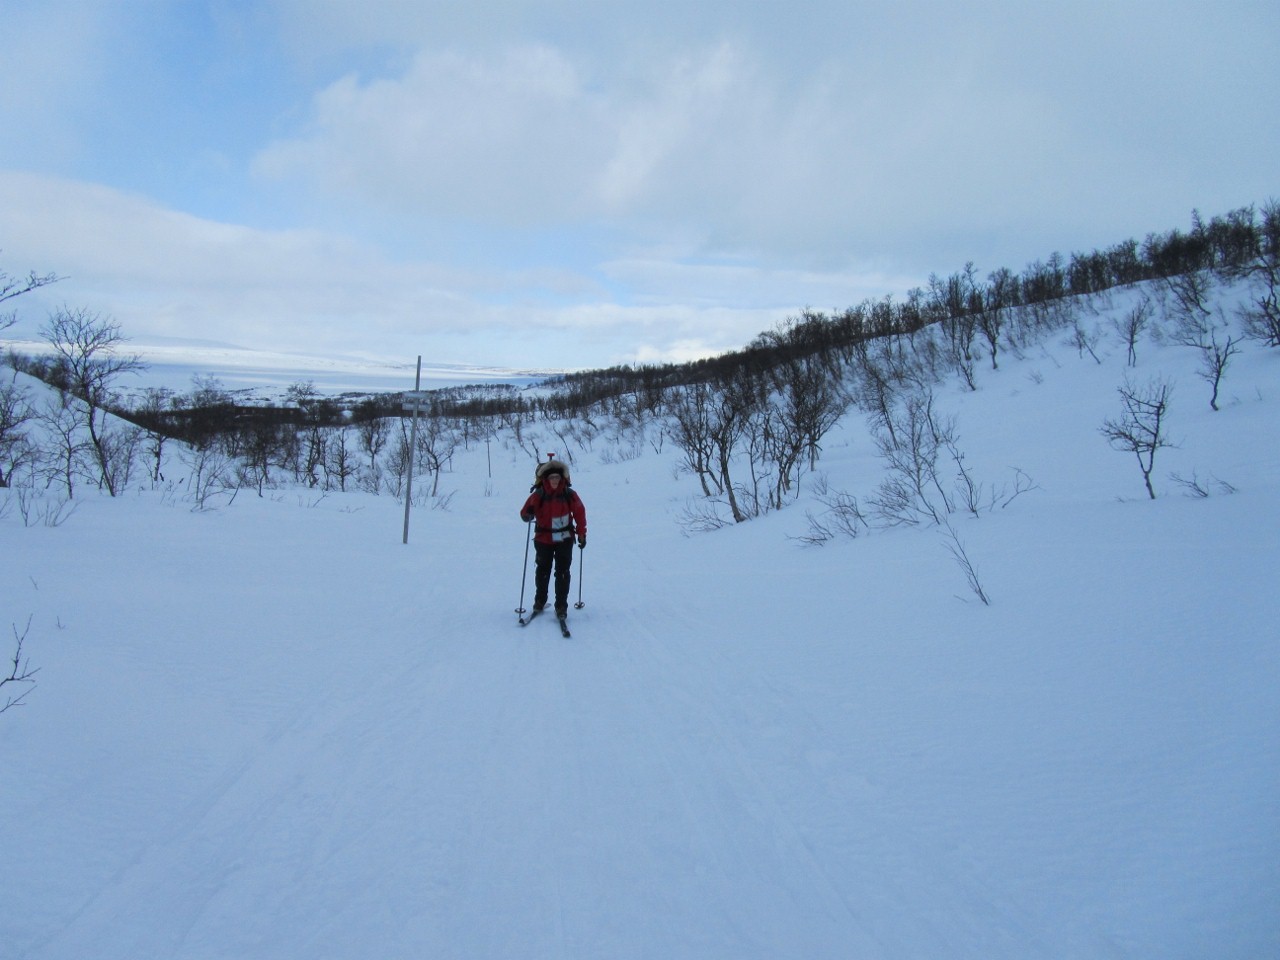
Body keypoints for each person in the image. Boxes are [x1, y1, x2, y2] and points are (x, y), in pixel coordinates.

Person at [519, 458, 587, 617]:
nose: (555, 480)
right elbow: (524, 513)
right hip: (543, 539)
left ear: (562, 478)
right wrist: (527, 514)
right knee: (543, 571)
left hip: (564, 538)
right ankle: (540, 601)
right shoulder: (538, 494)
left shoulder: (569, 494)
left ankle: (561, 606)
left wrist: (581, 533)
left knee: (562, 572)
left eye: (557, 477)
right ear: (546, 479)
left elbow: (580, 513)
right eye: (552, 477)